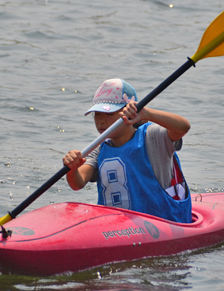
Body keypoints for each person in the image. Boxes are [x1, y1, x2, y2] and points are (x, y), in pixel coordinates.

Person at [63, 78, 193, 223]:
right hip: (118, 228)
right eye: (97, 114)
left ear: (131, 113)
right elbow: (77, 184)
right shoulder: (99, 149)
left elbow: (183, 127)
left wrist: (147, 114)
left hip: (161, 223)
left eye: (109, 114)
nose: (101, 121)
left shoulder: (151, 136)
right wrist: (72, 168)